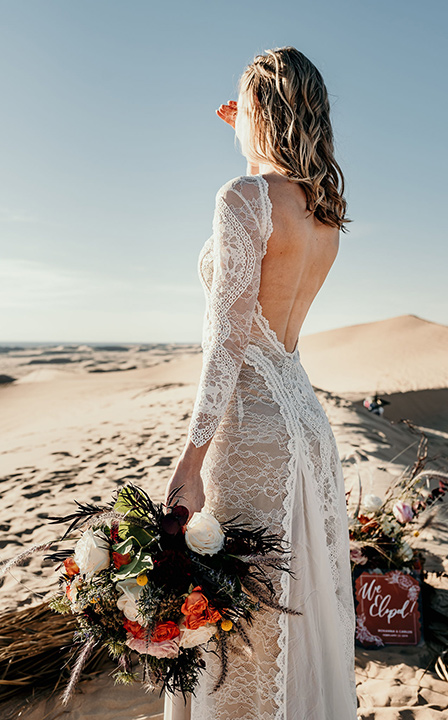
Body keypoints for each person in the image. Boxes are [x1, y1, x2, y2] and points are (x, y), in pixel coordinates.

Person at [164, 46, 358, 720]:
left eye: (241, 106)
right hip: (304, 421)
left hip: (250, 432)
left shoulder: (242, 197)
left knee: (241, 626)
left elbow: (227, 339)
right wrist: (253, 145)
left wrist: (189, 461)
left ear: (262, 111)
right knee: (292, 616)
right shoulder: (322, 215)